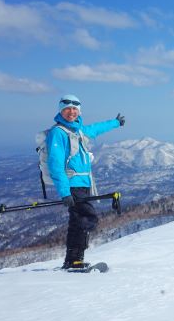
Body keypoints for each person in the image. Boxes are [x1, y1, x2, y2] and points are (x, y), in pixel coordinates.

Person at [46, 94, 125, 269]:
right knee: (85, 218)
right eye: (67, 109)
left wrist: (115, 123)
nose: (71, 112)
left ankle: (73, 259)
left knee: (78, 220)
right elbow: (55, 165)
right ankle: (74, 259)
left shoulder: (77, 130)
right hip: (72, 184)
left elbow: (96, 129)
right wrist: (65, 192)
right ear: (61, 110)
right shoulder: (58, 133)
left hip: (84, 183)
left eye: (75, 109)